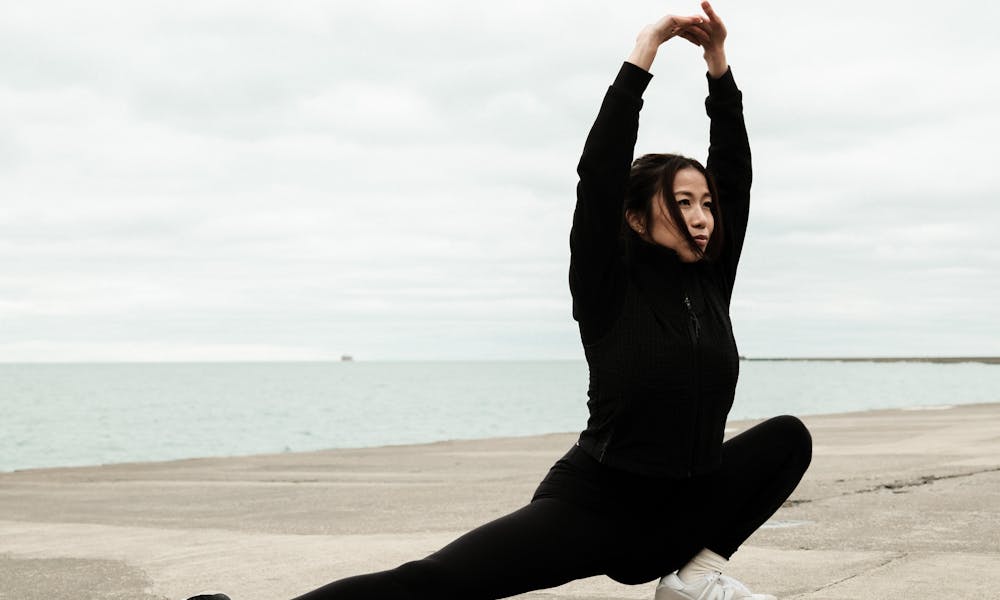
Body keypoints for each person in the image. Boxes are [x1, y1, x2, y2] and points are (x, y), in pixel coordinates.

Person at [188, 3, 811, 599]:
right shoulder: (606, 282)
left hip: (682, 512)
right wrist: (643, 55)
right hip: (597, 508)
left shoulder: (709, 281)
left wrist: (719, 67)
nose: (702, 216)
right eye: (682, 202)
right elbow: (598, 176)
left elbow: (737, 176)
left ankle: (695, 580)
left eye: (705, 203)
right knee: (431, 583)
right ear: (637, 220)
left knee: (786, 439)